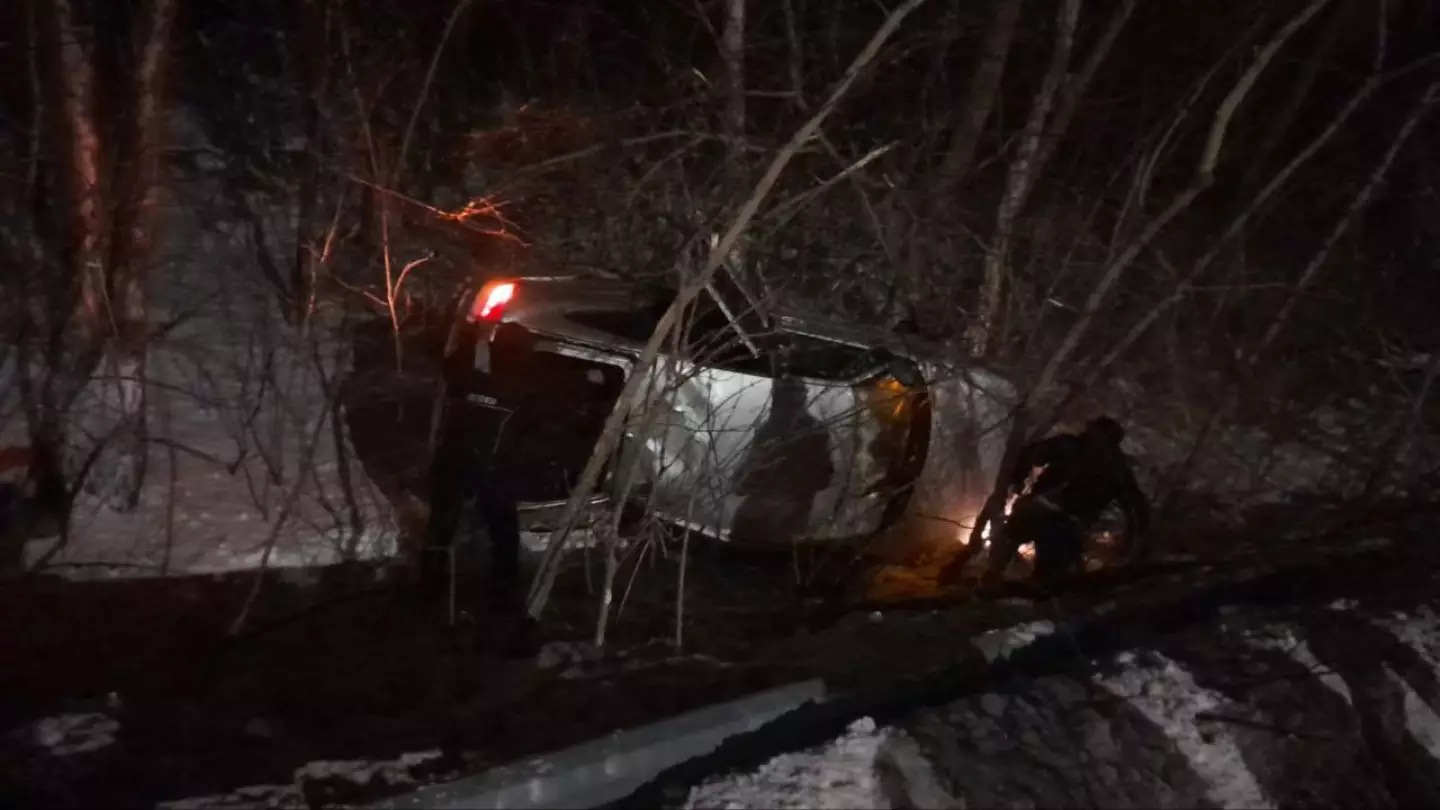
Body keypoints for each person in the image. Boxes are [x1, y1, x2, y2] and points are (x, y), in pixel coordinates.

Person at [981, 416, 1151, 589]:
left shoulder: (1085, 453)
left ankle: (997, 585)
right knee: (1037, 569)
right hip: (1058, 521)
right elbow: (1136, 506)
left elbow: (1135, 505)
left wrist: (1017, 480)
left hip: (1057, 521)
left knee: (1038, 570)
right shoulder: (1111, 463)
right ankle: (995, 584)